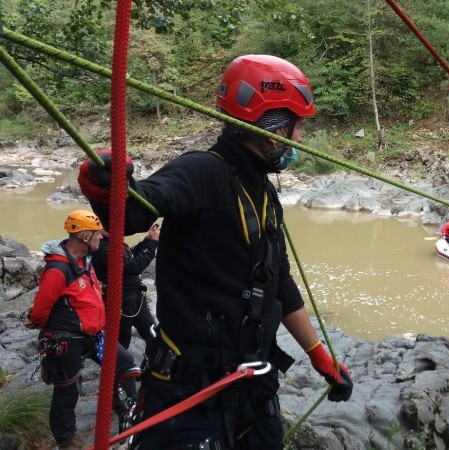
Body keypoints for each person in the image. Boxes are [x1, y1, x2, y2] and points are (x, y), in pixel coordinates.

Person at [78, 55, 353, 450]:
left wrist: (318, 355)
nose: (300, 139)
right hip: (188, 397)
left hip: (253, 390)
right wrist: (104, 184)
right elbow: (139, 209)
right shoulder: (204, 171)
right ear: (274, 128)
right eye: (298, 126)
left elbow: (280, 285)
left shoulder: (264, 192)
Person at [26, 210, 139, 450]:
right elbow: (40, 309)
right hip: (67, 340)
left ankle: (128, 409)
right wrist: (40, 324)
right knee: (67, 391)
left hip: (93, 335)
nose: (102, 239)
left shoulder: (84, 260)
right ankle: (66, 440)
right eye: (99, 235)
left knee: (125, 362)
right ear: (86, 236)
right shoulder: (58, 269)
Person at [91, 222, 160, 350]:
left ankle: (155, 363)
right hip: (120, 301)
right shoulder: (103, 248)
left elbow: (129, 256)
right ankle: (119, 367)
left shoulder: (111, 242)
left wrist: (147, 240)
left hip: (134, 298)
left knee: (150, 331)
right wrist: (153, 243)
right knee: (123, 340)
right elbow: (134, 267)